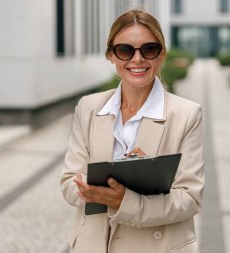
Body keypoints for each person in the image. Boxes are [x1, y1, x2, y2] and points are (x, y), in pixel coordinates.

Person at [60, 9, 204, 253]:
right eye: (125, 50)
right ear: (111, 55)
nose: (137, 59)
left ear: (161, 54)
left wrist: (125, 200)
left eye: (149, 49)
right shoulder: (88, 108)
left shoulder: (187, 115)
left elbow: (189, 199)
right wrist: (94, 191)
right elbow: (68, 184)